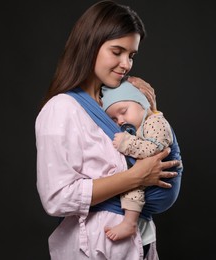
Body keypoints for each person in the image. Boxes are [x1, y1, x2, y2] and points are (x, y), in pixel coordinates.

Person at [35, 1, 183, 259]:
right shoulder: (62, 109)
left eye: (132, 55)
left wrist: (150, 109)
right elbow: (56, 198)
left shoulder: (118, 104)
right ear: (90, 45)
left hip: (139, 243)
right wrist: (135, 178)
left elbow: (154, 145)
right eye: (117, 51)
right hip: (95, 248)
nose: (126, 64)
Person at [101, 80, 176, 241]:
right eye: (114, 119)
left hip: (163, 181)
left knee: (132, 185)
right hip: (153, 180)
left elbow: (153, 149)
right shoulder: (140, 126)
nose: (120, 120)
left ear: (142, 104)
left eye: (123, 111)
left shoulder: (156, 122)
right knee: (131, 180)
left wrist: (127, 144)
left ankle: (130, 223)